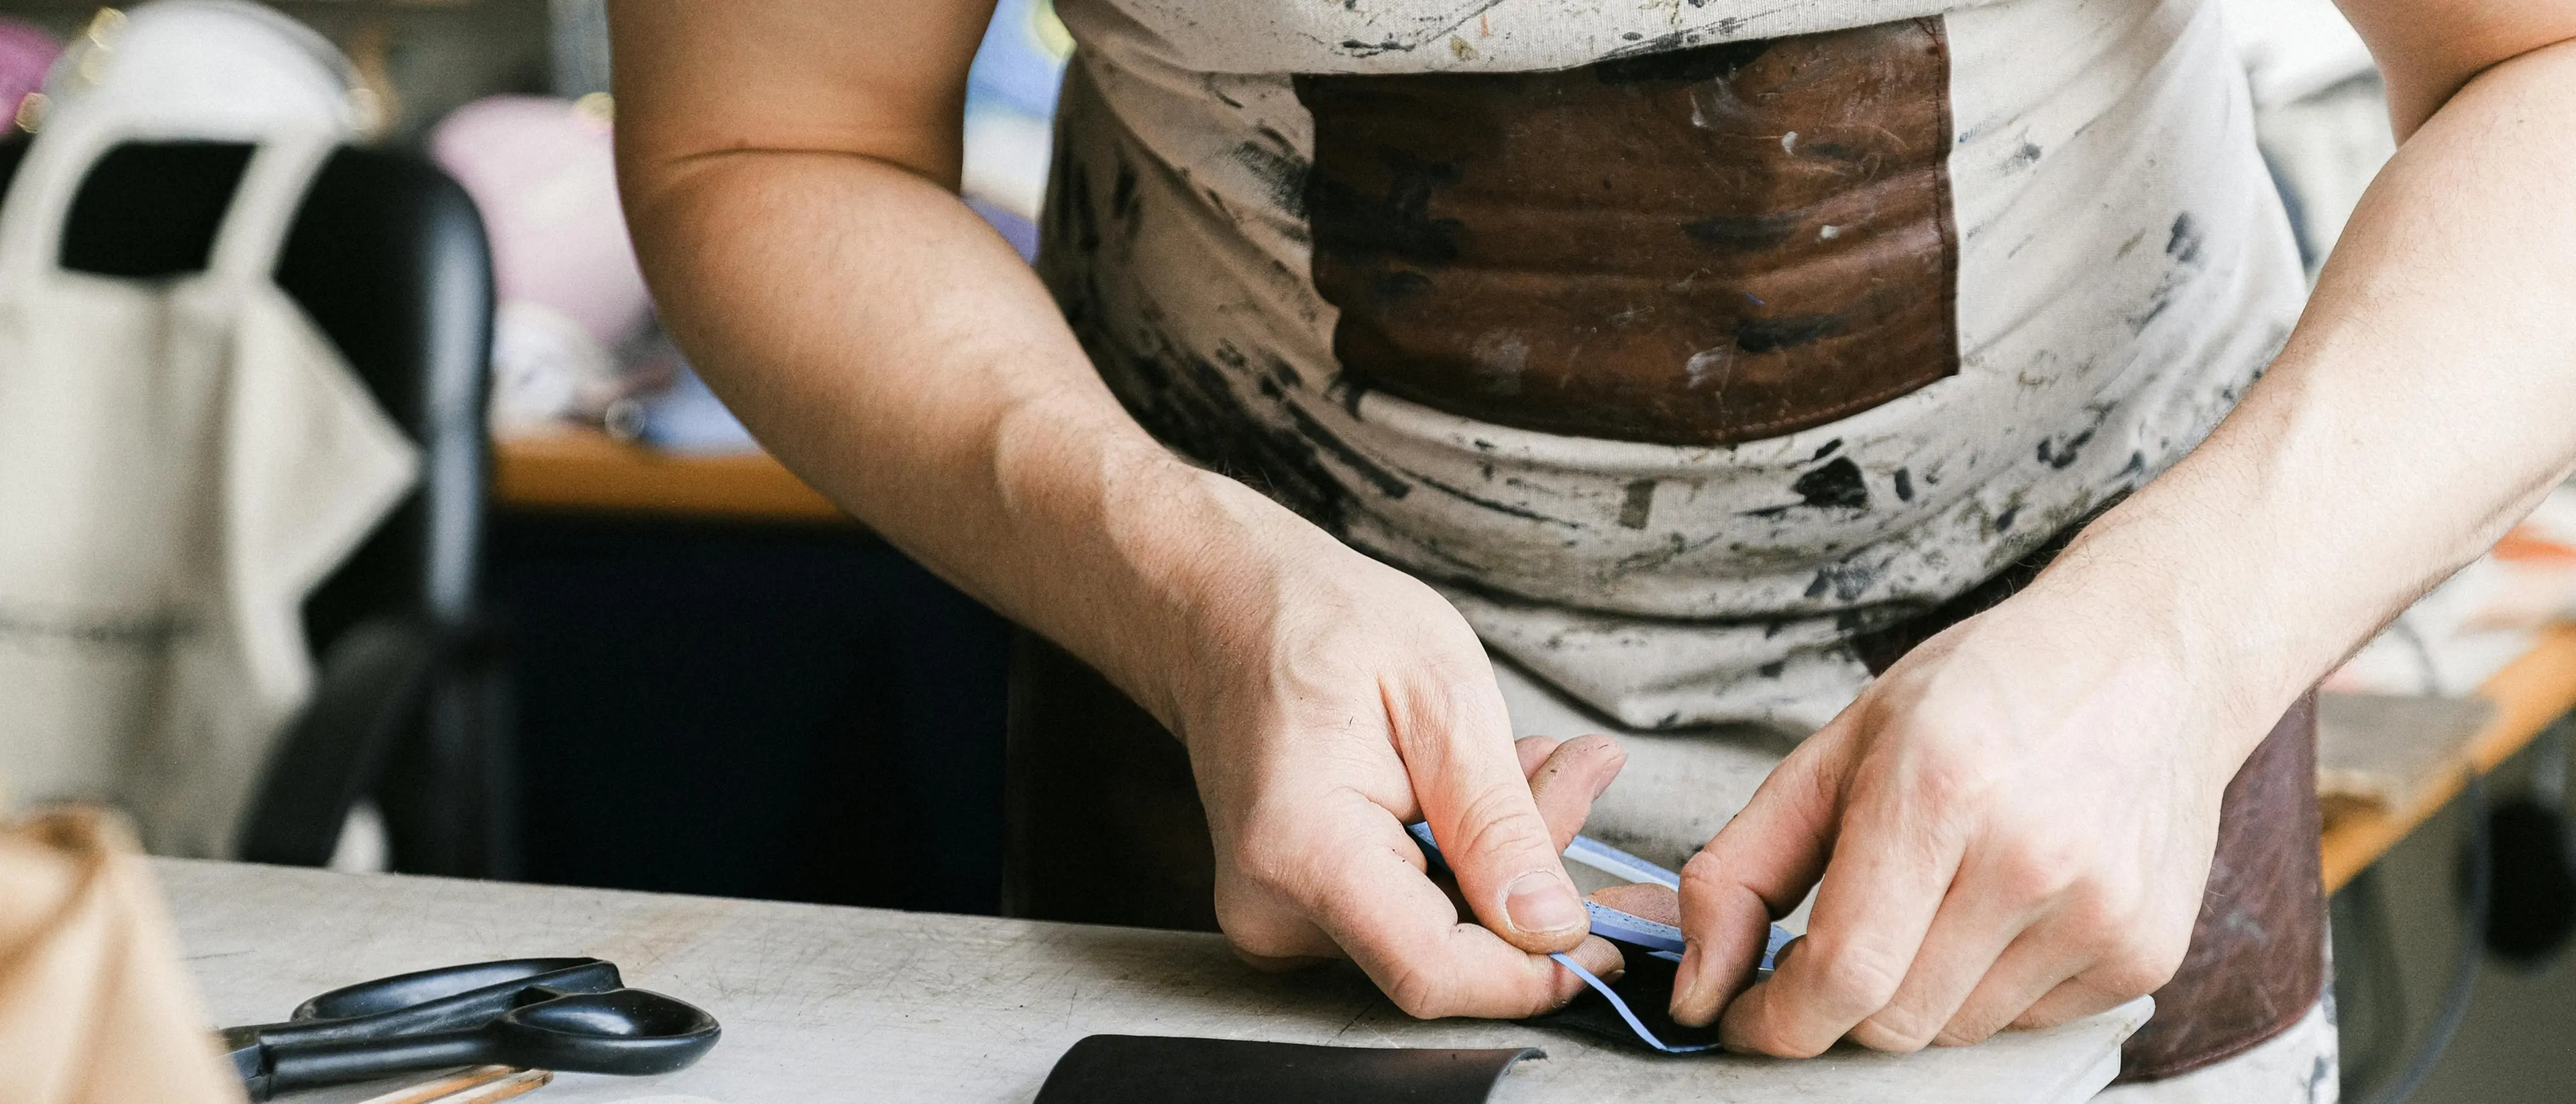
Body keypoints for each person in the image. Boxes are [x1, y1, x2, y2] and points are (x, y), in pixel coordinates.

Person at [605, 0, 2576, 1097]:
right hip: (1255, 798)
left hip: (2097, 801)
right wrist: (1191, 590)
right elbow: (769, 142)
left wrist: (2180, 648)